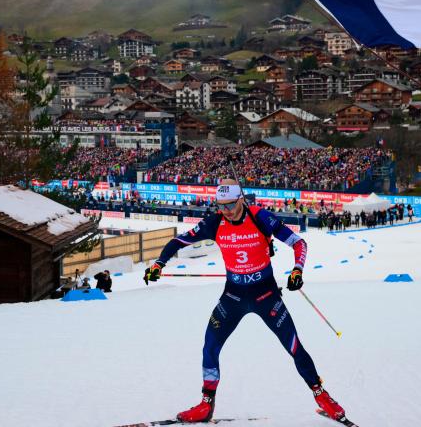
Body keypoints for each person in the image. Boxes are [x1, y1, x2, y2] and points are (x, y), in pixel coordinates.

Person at [143, 179, 349, 424]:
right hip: (233, 297)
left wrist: (297, 270)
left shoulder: (260, 216)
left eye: (230, 205)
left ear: (241, 199)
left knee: (294, 347)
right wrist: (159, 263)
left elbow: (298, 242)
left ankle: (322, 396)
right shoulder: (215, 222)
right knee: (209, 346)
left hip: (266, 296)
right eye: (221, 206)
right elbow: (179, 241)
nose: (226, 211)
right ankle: (206, 405)